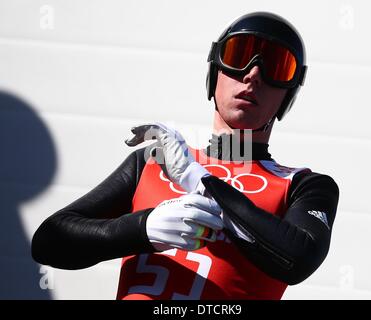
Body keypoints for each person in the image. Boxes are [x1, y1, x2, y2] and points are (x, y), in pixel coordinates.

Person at [32, 12, 339, 300]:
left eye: (276, 66)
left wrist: (197, 178)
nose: (253, 74)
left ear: (289, 94)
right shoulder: (152, 162)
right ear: (214, 72)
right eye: (239, 56)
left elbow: (297, 259)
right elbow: (49, 241)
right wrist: (143, 228)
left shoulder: (303, 185)